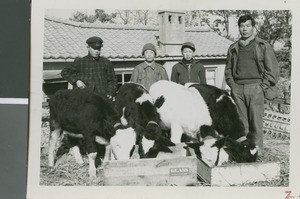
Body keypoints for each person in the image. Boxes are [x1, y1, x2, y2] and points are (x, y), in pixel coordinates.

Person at [224, 15, 279, 155]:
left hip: (256, 88)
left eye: (247, 26)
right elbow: (228, 70)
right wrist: (233, 85)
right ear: (239, 28)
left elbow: (272, 69)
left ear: (253, 27)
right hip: (237, 89)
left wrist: (263, 86)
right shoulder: (233, 48)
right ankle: (244, 152)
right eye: (242, 26)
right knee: (242, 125)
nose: (244, 29)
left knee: (256, 124)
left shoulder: (262, 46)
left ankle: (257, 152)